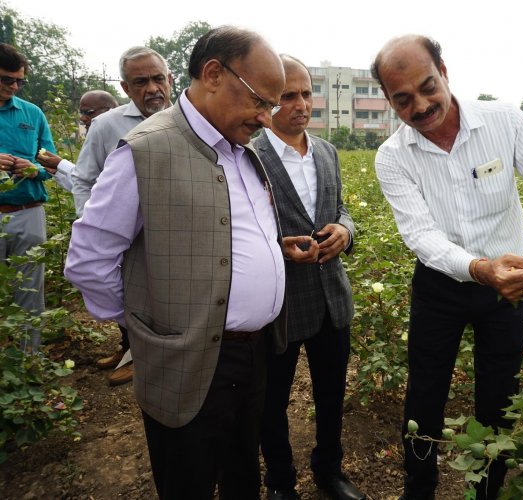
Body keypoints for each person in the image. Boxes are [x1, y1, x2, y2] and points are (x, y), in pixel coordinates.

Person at [65, 26, 318, 499]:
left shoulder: (241, 149)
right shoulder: (147, 150)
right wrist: (152, 328)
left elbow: (220, 229)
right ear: (214, 74)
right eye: (261, 101)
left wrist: (269, 252)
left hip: (254, 351)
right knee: (189, 477)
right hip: (188, 357)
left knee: (243, 469)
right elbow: (89, 260)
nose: (267, 118)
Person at [370, 35, 523, 499]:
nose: (422, 105)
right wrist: (478, 268)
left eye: (428, 86)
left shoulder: (503, 120)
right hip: (440, 285)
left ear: (444, 71)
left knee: (499, 397)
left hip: (508, 288)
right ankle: (419, 490)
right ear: (390, 103)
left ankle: (487, 492)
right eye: (403, 99)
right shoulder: (393, 157)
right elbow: (422, 237)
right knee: (425, 395)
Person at [254, 55, 365, 500]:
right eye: (287, 96)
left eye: (305, 93)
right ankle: (280, 482)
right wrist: (274, 251)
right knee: (272, 401)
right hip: (278, 302)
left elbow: (339, 211)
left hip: (330, 298)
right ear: (266, 101)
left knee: (331, 394)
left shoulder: (326, 151)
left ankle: (329, 470)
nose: (300, 104)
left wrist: (346, 230)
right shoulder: (249, 155)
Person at [71, 46, 173, 386]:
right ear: (125, 88)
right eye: (140, 82)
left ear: (170, 80)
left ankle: (146, 354)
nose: (152, 89)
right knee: (127, 295)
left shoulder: (190, 122)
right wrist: (96, 226)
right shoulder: (106, 126)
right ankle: (132, 350)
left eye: (158, 79)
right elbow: (84, 179)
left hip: (173, 237)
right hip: (125, 240)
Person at [0, 43, 56, 353]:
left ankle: (27, 361)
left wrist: (35, 168)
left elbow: (50, 160)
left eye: (19, 81)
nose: (14, 87)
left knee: (30, 290)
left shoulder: (31, 113)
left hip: (28, 211)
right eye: (6, 79)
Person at [36, 90, 118, 191]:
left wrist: (60, 164)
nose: (82, 118)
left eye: (89, 113)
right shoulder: (96, 140)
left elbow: (101, 186)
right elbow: (84, 186)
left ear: (109, 111)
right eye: (81, 113)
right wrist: (57, 171)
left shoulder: (120, 142)